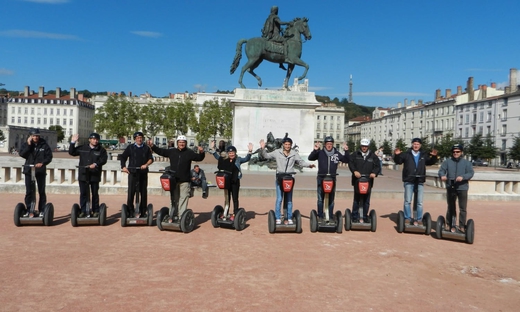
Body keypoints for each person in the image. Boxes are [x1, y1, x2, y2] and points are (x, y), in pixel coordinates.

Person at [147, 135, 205, 221]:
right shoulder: (172, 151)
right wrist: (152, 146)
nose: (181, 144)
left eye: (183, 142)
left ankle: (181, 217)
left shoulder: (189, 152)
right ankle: (172, 215)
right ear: (177, 143)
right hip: (173, 179)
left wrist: (202, 152)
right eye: (180, 142)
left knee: (183, 198)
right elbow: (161, 151)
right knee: (174, 199)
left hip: (185, 180)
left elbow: (199, 158)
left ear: (185, 143)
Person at [259, 137, 315, 225]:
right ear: (283, 145)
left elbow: (300, 162)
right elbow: (266, 156)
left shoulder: (294, 153)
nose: (287, 146)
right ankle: (277, 217)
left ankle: (289, 217)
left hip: (289, 178)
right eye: (286, 144)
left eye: (289, 144)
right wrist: (263, 148)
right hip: (279, 178)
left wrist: (309, 165)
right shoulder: (277, 152)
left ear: (291, 145)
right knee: (279, 199)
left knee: (289, 200)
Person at [393, 138, 438, 225]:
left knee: (419, 202)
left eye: (417, 144)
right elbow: (398, 161)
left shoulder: (423, 155)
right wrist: (397, 155)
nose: (416, 146)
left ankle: (419, 218)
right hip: (409, 180)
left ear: (420, 145)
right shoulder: (406, 154)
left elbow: (430, 162)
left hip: (420, 180)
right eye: (414, 144)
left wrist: (434, 157)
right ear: (412, 145)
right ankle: (407, 217)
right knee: (407, 201)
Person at [308, 136, 350, 222]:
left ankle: (330, 216)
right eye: (327, 144)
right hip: (321, 178)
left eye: (331, 144)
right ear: (325, 144)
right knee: (320, 199)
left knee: (331, 199)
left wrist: (346, 151)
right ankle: (320, 216)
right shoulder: (320, 153)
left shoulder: (336, 153)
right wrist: (315, 150)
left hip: (332, 179)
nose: (329, 145)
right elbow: (310, 158)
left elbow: (346, 160)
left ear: (333, 144)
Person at [211, 141, 254, 220]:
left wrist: (250, 151)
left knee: (235, 198)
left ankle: (235, 213)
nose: (231, 154)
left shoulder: (238, 159)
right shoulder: (225, 159)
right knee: (227, 198)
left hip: (235, 182)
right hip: (226, 181)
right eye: (230, 153)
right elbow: (217, 157)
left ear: (235, 153)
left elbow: (246, 159)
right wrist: (213, 149)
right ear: (228, 153)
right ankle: (226, 213)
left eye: (233, 153)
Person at [69, 133, 108, 217]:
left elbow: (104, 159)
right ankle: (83, 210)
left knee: (94, 193)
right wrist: (73, 142)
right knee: (83, 193)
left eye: (97, 139)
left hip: (95, 175)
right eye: (93, 139)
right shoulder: (83, 148)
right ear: (89, 139)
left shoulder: (101, 150)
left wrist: (96, 164)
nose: (95, 141)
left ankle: (96, 211)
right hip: (83, 174)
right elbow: (72, 152)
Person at [438, 144, 474, 232]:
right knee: (450, 206)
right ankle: (449, 224)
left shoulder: (466, 163)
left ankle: (462, 226)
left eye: (457, 152)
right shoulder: (447, 162)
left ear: (461, 152)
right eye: (454, 152)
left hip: (462, 187)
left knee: (462, 208)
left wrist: (463, 177)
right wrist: (442, 175)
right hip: (450, 187)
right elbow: (441, 170)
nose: (455, 153)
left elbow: (471, 173)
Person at [19, 128, 53, 217]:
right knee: (29, 191)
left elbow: (49, 157)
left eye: (37, 136)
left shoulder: (44, 145)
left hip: (40, 171)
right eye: (34, 136)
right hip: (29, 171)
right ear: (30, 136)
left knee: (41, 191)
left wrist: (42, 163)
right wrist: (29, 145)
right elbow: (22, 154)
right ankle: (29, 209)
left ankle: (42, 210)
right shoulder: (26, 144)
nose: (36, 137)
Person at [120, 131, 154, 217]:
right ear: (135, 139)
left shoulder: (146, 148)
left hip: (142, 173)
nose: (139, 139)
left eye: (141, 138)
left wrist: (146, 165)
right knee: (131, 192)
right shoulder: (130, 147)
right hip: (132, 172)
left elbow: (151, 159)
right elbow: (123, 157)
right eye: (138, 138)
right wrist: (123, 167)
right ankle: (130, 211)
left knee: (143, 192)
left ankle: (143, 211)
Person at [348, 138, 380, 223]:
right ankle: (354, 216)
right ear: (360, 146)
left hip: (368, 181)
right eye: (363, 146)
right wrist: (354, 171)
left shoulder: (373, 156)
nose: (364, 148)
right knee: (356, 200)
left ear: (368, 146)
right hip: (357, 180)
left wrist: (374, 173)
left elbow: (377, 166)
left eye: (366, 146)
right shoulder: (355, 154)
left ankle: (365, 216)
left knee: (366, 200)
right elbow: (350, 163)